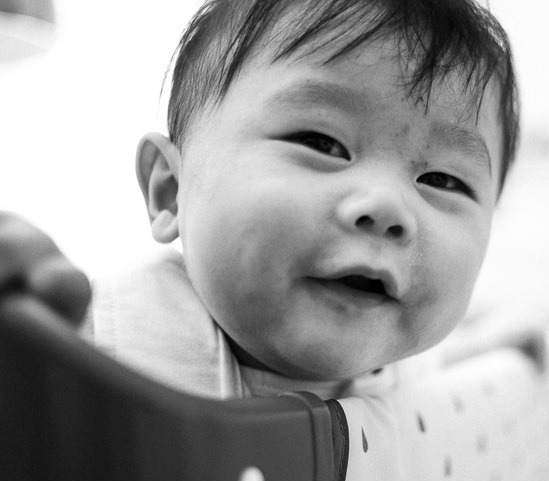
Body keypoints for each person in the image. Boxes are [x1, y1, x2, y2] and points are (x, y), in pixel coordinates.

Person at [0, 0, 519, 400]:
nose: (386, 206)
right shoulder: (92, 343)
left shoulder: (417, 391)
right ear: (170, 191)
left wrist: (502, 354)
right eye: (321, 143)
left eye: (443, 180)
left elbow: (438, 379)